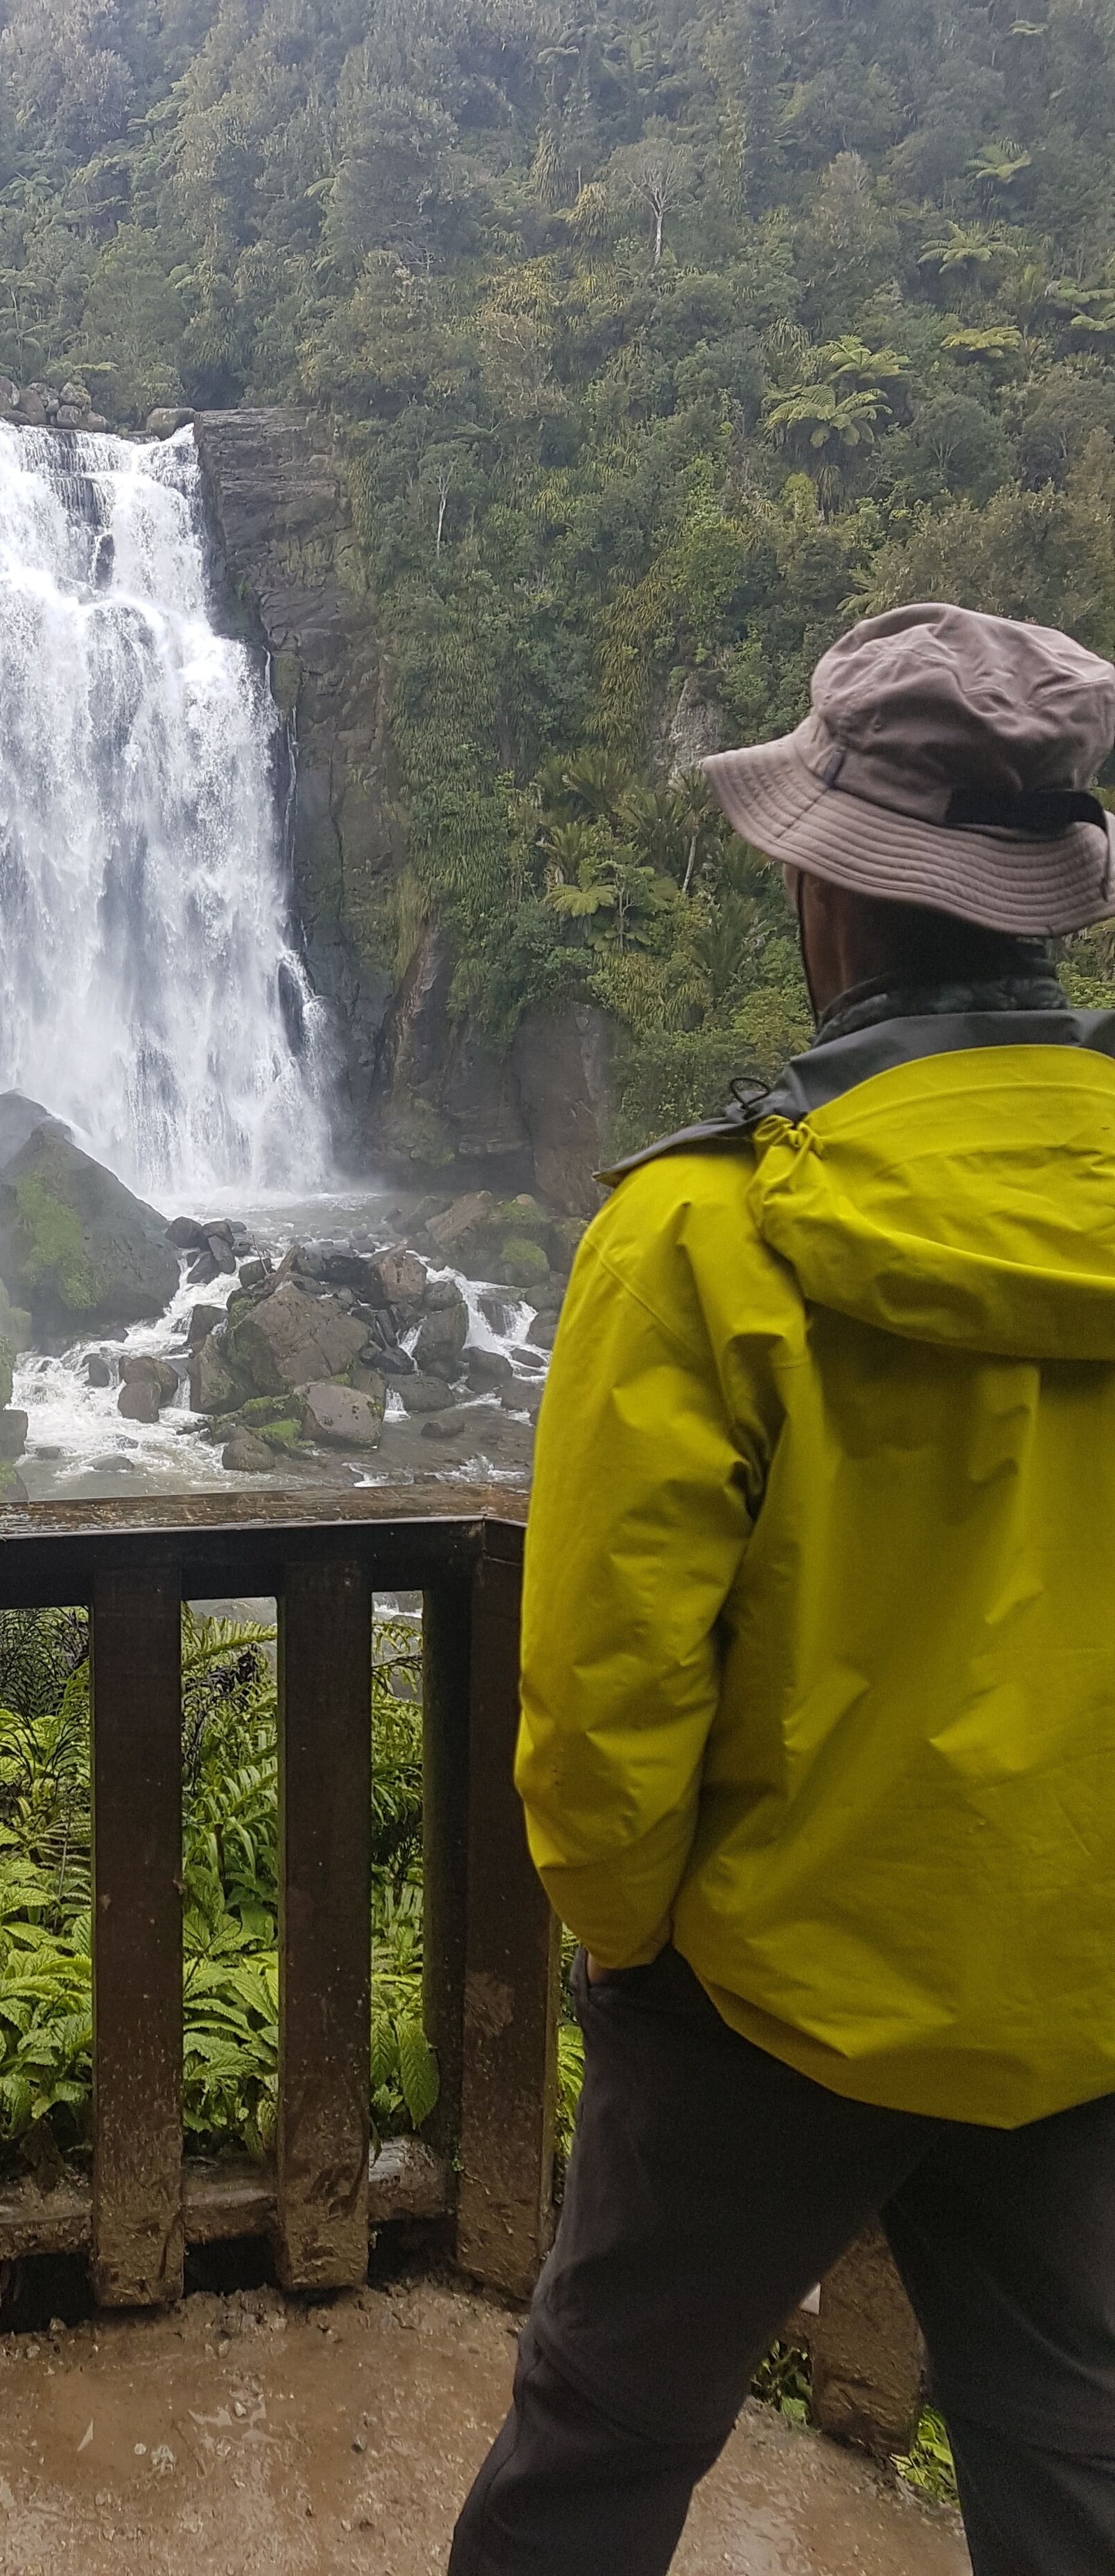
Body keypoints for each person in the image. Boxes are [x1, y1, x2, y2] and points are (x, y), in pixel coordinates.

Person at [448, 603, 1115, 2575]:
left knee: (598, 2443)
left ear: (831, 896)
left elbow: (604, 1687)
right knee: (1075, 2465)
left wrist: (628, 1942)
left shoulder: (700, 1237)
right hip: (1081, 1996)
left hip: (765, 1999)